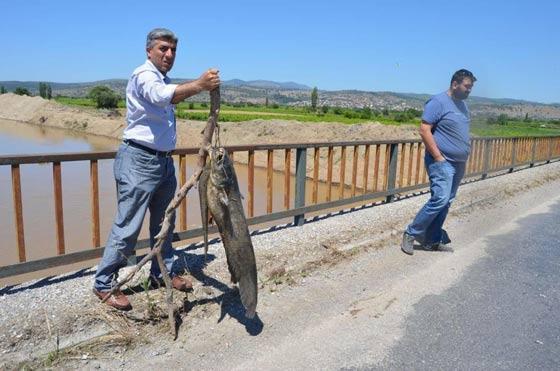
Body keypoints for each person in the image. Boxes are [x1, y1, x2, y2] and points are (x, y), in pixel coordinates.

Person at [93, 28, 220, 310]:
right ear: (149, 50)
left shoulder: (164, 79)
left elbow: (167, 96)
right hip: (139, 160)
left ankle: (163, 271)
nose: (169, 55)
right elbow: (161, 96)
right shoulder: (143, 75)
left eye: (173, 50)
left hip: (162, 161)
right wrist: (199, 85)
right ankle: (104, 283)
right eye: (163, 49)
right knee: (128, 226)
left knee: (165, 222)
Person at [401, 69, 476, 255]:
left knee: (447, 201)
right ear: (455, 84)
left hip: (459, 162)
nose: (469, 91)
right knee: (440, 199)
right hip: (442, 161)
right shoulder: (438, 102)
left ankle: (431, 241)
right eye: (467, 86)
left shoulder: (463, 106)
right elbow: (424, 130)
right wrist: (438, 157)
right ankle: (411, 233)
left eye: (471, 87)